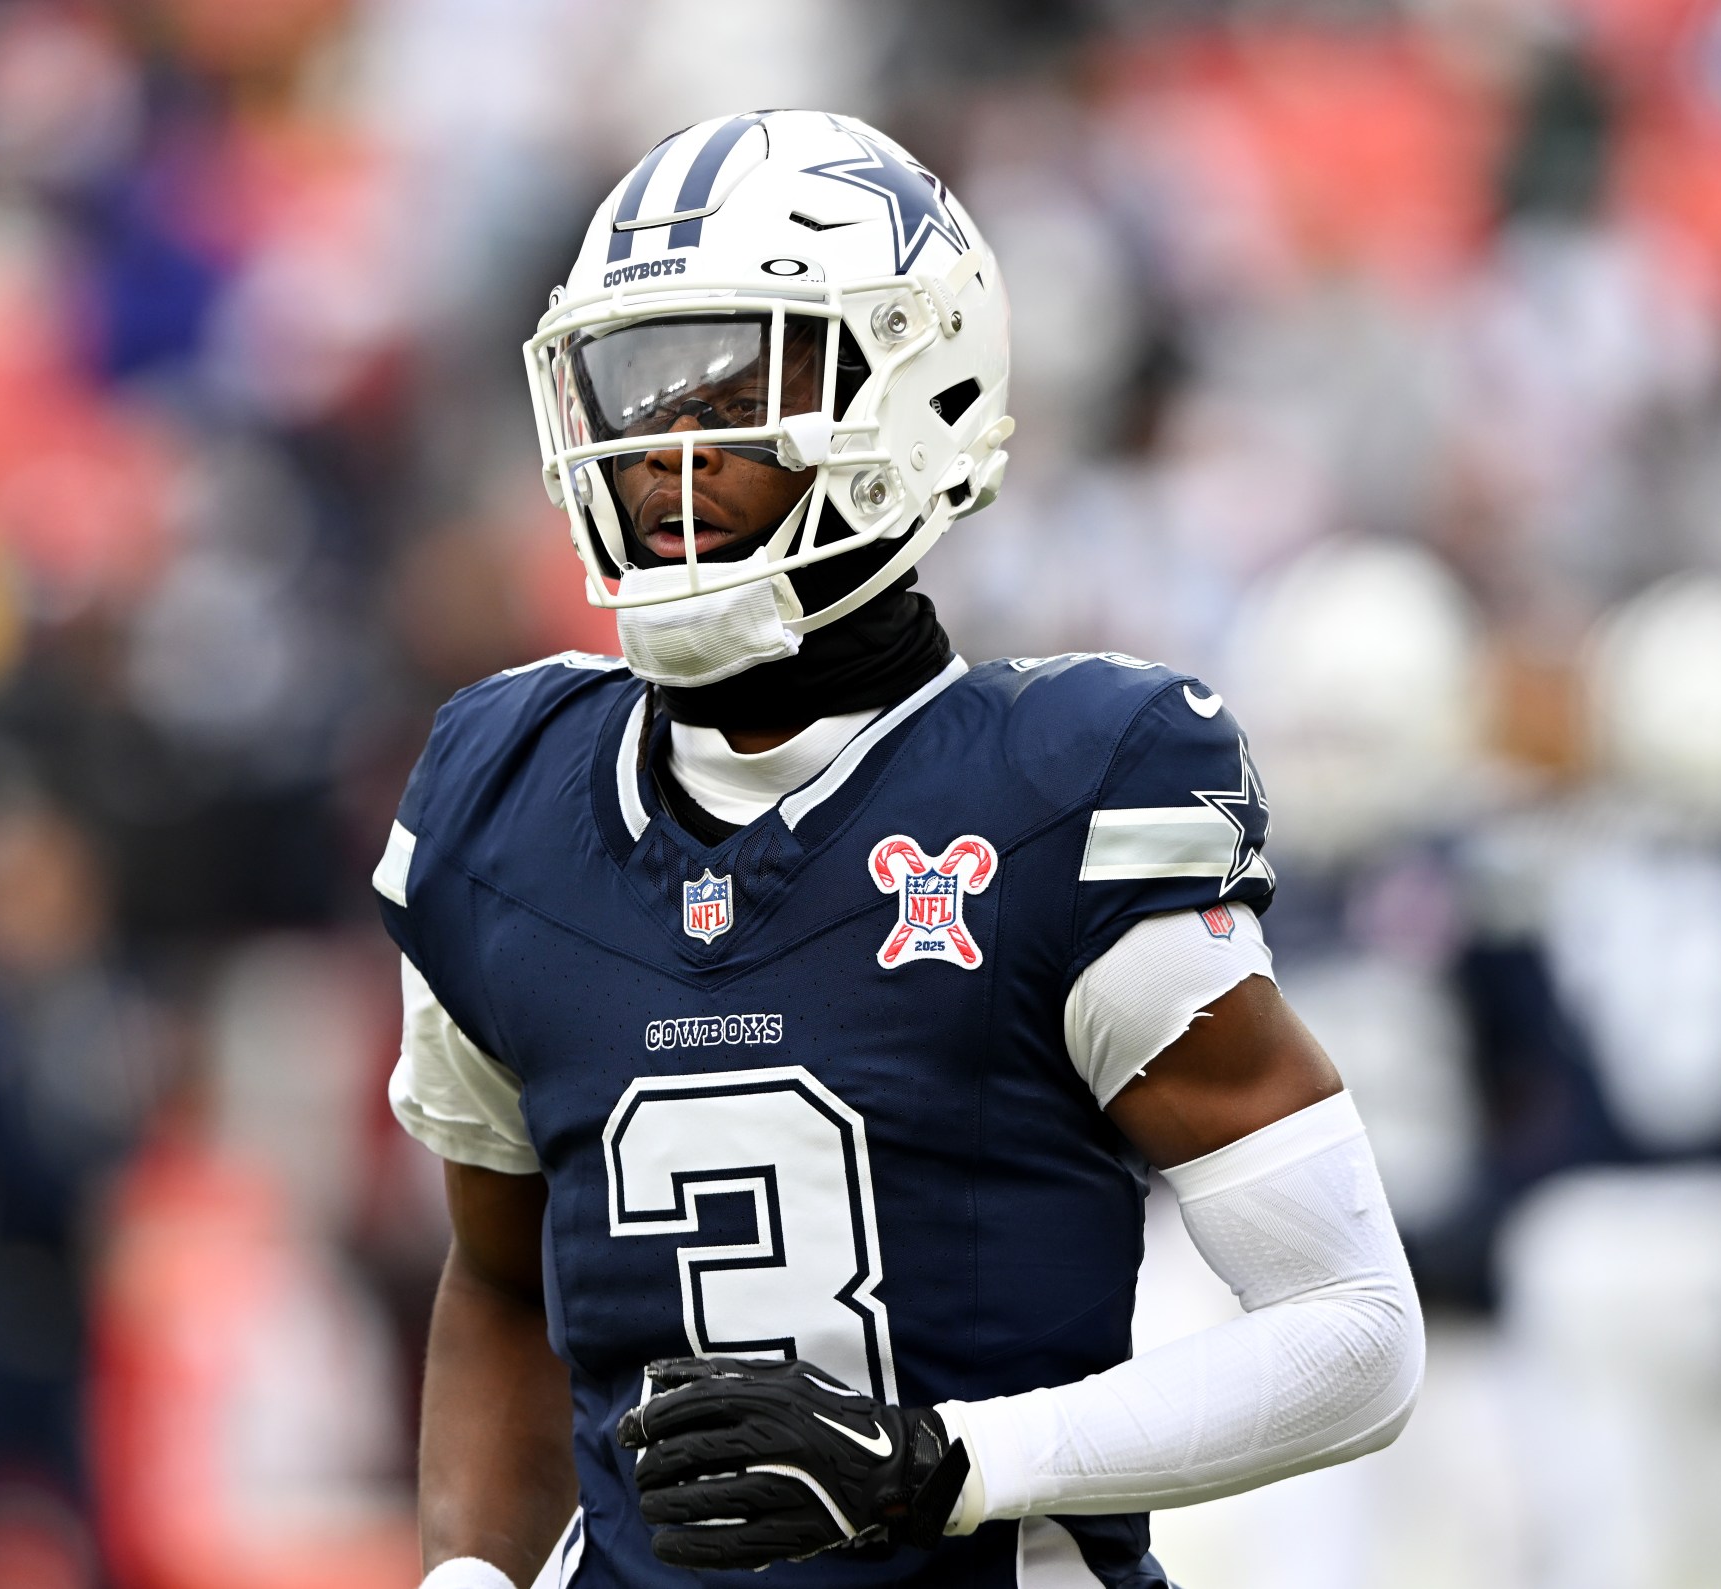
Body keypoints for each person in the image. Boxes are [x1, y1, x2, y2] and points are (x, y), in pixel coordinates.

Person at [380, 111, 1423, 1589]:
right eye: (633, 389)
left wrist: (945, 1464)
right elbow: (500, 1280)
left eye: (738, 388)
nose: (665, 451)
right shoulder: (504, 803)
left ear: (914, 398)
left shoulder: (1062, 792)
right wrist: (468, 1578)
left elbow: (1356, 1333)